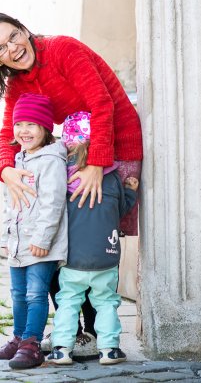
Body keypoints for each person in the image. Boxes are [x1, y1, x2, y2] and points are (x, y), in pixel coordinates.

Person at [0, 12, 143, 357]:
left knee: (90, 243)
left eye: (13, 36)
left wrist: (97, 164)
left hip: (114, 146)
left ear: (24, 30)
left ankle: (93, 333)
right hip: (77, 153)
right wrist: (5, 169)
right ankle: (71, 330)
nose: (12, 48)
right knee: (55, 238)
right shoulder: (18, 84)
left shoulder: (63, 49)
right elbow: (7, 133)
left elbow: (102, 104)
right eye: (1, 49)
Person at [46, 111, 138, 365]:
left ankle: (62, 349)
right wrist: (131, 191)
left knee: (68, 301)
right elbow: (120, 210)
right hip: (105, 257)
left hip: (73, 258)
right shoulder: (112, 178)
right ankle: (109, 349)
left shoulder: (62, 177)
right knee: (106, 302)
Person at [0, 93, 68, 369]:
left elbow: (53, 203)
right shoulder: (17, 160)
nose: (24, 130)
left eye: (31, 124)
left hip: (41, 245)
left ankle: (32, 344)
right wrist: (6, 237)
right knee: (18, 294)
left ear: (45, 127)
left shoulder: (51, 160)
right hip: (18, 243)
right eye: (19, 124)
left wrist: (43, 239)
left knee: (35, 294)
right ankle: (18, 338)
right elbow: (11, 204)